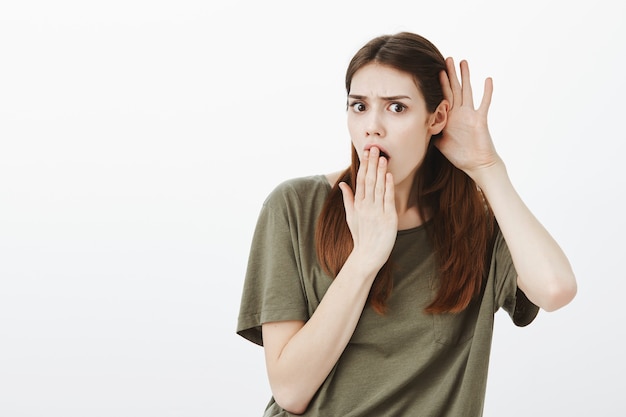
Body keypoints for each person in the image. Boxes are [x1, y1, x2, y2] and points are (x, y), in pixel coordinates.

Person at [236, 31, 577, 417]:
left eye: (396, 108)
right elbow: (289, 390)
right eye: (359, 106)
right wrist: (366, 257)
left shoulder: (476, 223)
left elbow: (555, 289)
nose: (372, 127)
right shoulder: (294, 206)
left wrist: (487, 166)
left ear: (437, 117)